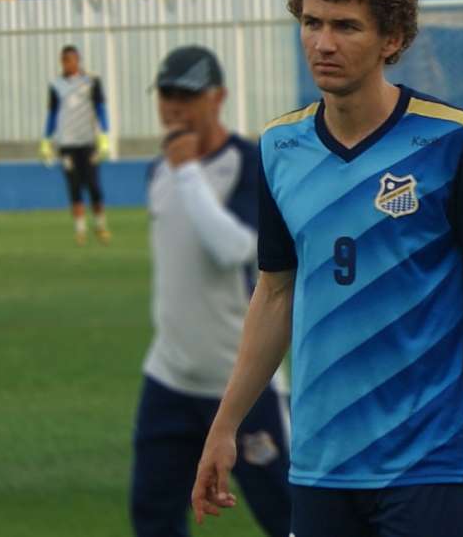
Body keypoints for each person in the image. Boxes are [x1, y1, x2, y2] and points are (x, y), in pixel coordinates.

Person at [191, 0, 463, 537]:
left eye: (346, 26)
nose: (323, 43)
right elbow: (274, 294)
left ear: (392, 39)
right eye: (312, 23)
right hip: (320, 465)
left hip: (429, 463)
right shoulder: (280, 148)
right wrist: (224, 426)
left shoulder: (452, 140)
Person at [130, 45, 292, 537]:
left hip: (242, 381)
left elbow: (236, 247)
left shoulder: (247, 164)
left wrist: (187, 172)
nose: (174, 107)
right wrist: (178, 170)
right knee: (153, 517)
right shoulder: (158, 170)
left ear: (218, 97)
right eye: (166, 95)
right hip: (169, 377)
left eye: (187, 95)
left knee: (287, 514)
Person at [39, 45, 112, 245]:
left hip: (88, 141)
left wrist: (104, 135)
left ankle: (100, 226)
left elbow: (100, 108)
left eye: (71, 60)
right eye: (64, 60)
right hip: (67, 144)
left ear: (78, 60)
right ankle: (80, 230)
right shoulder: (55, 85)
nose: (68, 64)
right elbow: (53, 113)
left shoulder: (91, 81)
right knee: (74, 187)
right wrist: (46, 139)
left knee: (94, 186)